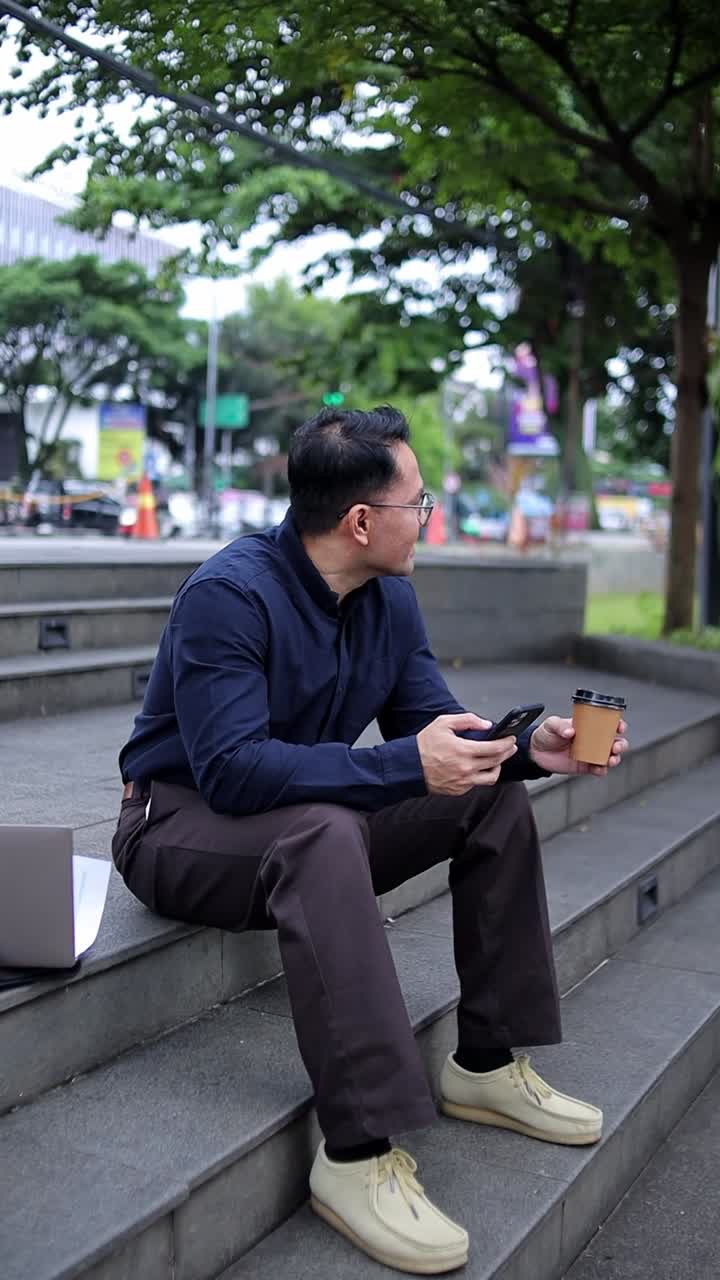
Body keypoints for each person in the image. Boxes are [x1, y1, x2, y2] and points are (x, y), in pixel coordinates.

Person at [112, 406, 628, 1276]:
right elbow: (231, 773)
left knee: (487, 799)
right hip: (176, 826)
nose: (429, 516)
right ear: (360, 521)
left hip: (306, 818)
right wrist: (401, 764)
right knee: (320, 831)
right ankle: (356, 1155)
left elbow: (431, 728)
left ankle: (486, 1063)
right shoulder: (228, 596)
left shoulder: (388, 599)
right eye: (418, 502)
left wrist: (523, 750)